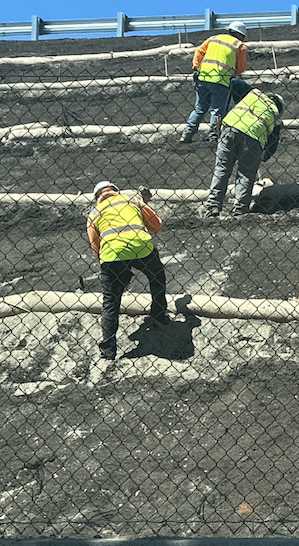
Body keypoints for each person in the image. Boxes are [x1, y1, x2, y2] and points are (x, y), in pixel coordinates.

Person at [86, 181, 171, 359]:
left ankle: (108, 350)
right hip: (141, 248)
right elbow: (157, 225)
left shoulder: (94, 214)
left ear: (97, 198)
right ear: (116, 191)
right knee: (156, 276)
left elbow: (96, 249)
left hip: (112, 255)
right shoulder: (131, 200)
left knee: (110, 301)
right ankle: (158, 316)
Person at [204, 78, 284, 218]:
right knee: (246, 174)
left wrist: (236, 100)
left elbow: (234, 82)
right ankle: (240, 210)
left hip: (230, 127)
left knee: (222, 168)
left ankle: (213, 206)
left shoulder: (254, 94)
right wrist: (262, 157)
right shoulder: (275, 114)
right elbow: (273, 144)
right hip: (253, 137)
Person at [180, 20, 249, 143]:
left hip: (203, 78)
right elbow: (241, 68)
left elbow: (199, 51)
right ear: (241, 35)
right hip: (221, 81)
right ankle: (213, 135)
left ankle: (187, 133)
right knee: (217, 110)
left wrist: (196, 67)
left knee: (199, 108)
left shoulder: (213, 39)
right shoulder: (239, 45)